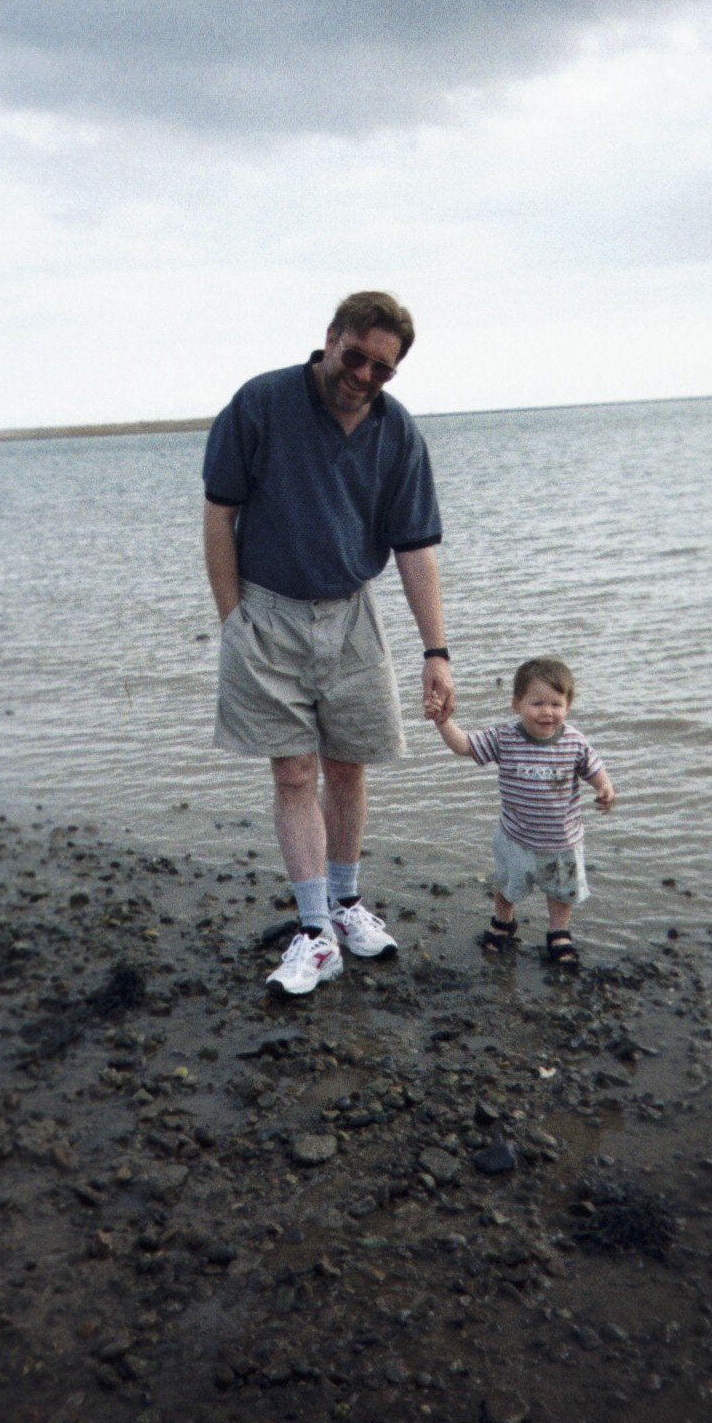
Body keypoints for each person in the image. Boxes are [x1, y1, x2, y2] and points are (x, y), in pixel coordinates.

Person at [202, 290, 455, 997]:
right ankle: (314, 932)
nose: (364, 376)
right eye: (356, 357)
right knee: (293, 774)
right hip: (267, 612)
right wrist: (233, 621)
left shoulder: (397, 432)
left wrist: (436, 653)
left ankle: (345, 904)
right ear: (331, 337)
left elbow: (415, 549)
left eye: (383, 368)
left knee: (348, 767)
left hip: (352, 615)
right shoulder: (260, 404)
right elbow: (219, 516)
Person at [430, 656, 615, 968]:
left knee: (561, 892)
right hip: (515, 838)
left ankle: (559, 932)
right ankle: (503, 921)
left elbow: (594, 769)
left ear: (568, 706)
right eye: (537, 703)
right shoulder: (505, 738)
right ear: (516, 704)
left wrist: (604, 788)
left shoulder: (574, 741)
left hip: (563, 841)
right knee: (507, 887)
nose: (547, 712)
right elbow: (464, 746)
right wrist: (443, 722)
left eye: (556, 704)